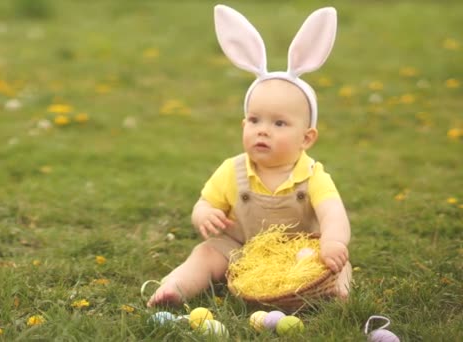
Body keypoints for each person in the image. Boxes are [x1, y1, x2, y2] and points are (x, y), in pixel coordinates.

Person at [147, 5, 352, 307]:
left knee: (337, 262)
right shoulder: (233, 170)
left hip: (298, 252)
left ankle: (338, 292)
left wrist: (332, 242)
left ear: (306, 138)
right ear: (244, 124)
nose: (263, 131)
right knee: (205, 253)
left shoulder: (312, 175)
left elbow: (333, 213)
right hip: (240, 251)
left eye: (279, 123)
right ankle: (174, 288)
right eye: (255, 120)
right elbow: (205, 203)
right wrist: (203, 214)